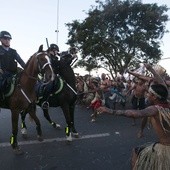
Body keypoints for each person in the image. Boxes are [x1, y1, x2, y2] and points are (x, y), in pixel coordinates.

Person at [97, 84, 170, 169]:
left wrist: (110, 111)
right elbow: (161, 83)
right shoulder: (167, 105)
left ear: (154, 97)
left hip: (166, 147)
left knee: (136, 152)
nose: (147, 94)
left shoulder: (155, 109)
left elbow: (135, 114)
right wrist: (151, 70)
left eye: (149, 93)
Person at [0, 31, 25, 100]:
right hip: (2, 73)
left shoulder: (13, 51)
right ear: (1, 39)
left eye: (8, 39)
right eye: (5, 39)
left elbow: (20, 61)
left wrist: (26, 68)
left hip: (13, 73)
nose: (7, 41)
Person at [40, 43, 60, 109]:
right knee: (50, 85)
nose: (57, 52)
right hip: (48, 75)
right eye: (56, 50)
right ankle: (44, 101)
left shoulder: (56, 58)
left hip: (56, 75)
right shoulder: (48, 57)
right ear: (52, 50)